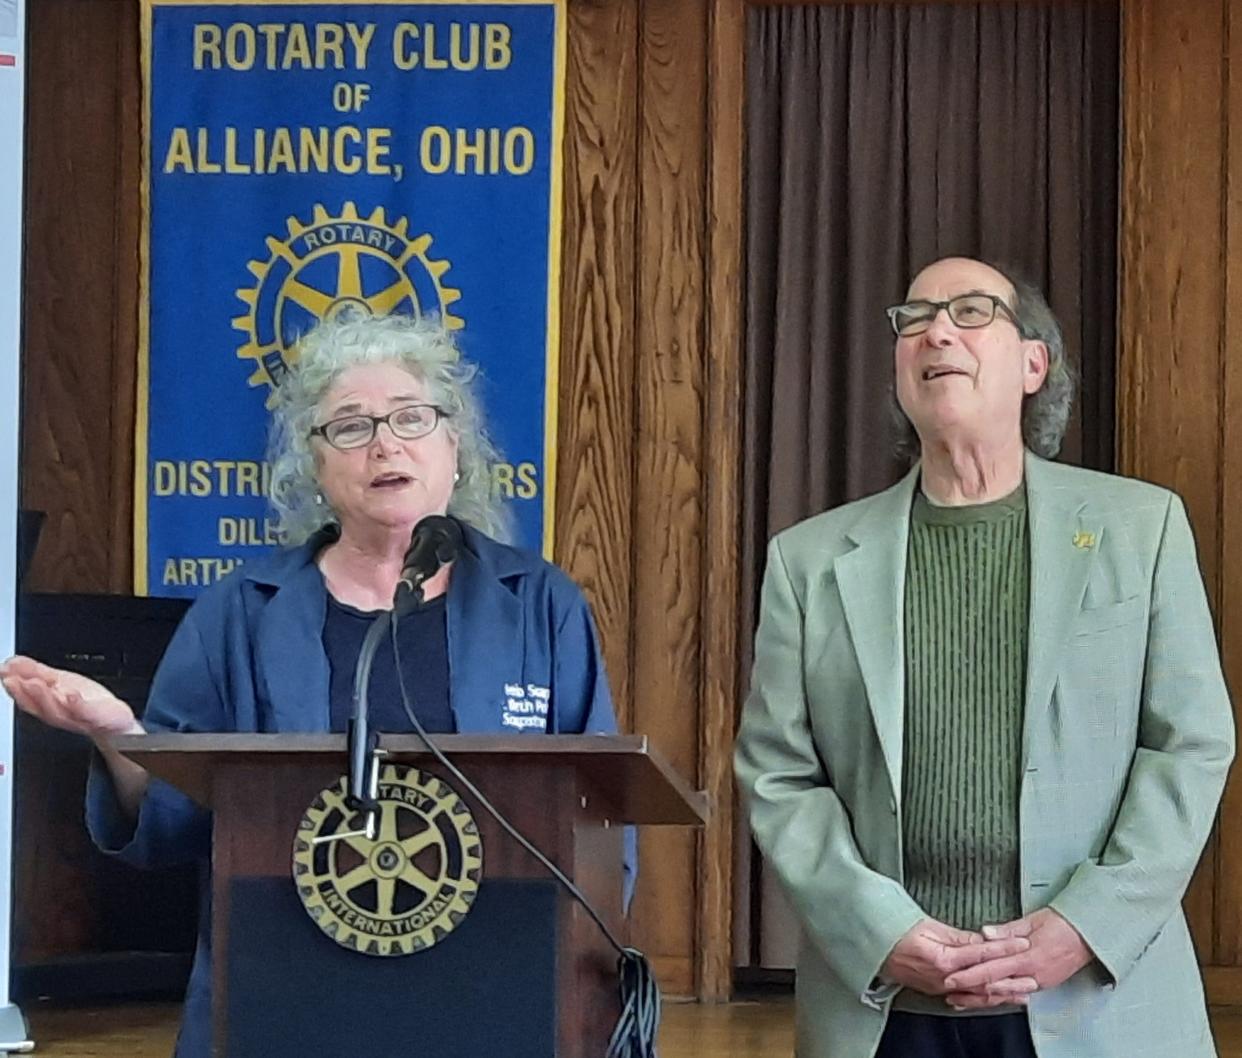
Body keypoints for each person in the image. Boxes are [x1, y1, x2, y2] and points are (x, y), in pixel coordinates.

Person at [2, 312, 632, 1058]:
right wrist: (120, 738)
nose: (385, 443)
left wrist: (579, 975)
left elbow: (601, 821)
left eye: (410, 417)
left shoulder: (540, 604)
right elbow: (173, 822)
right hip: (288, 993)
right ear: (315, 466)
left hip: (498, 990)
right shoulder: (241, 613)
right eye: (351, 426)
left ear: (454, 447)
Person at [734, 256, 1235, 1058]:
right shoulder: (810, 560)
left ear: (1035, 363)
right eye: (915, 318)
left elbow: (1191, 745)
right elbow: (779, 775)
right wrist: (880, 930)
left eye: (971, 312)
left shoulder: (1142, 529)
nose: (935, 330)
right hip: (887, 1010)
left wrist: (1086, 924)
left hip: (1096, 1004)